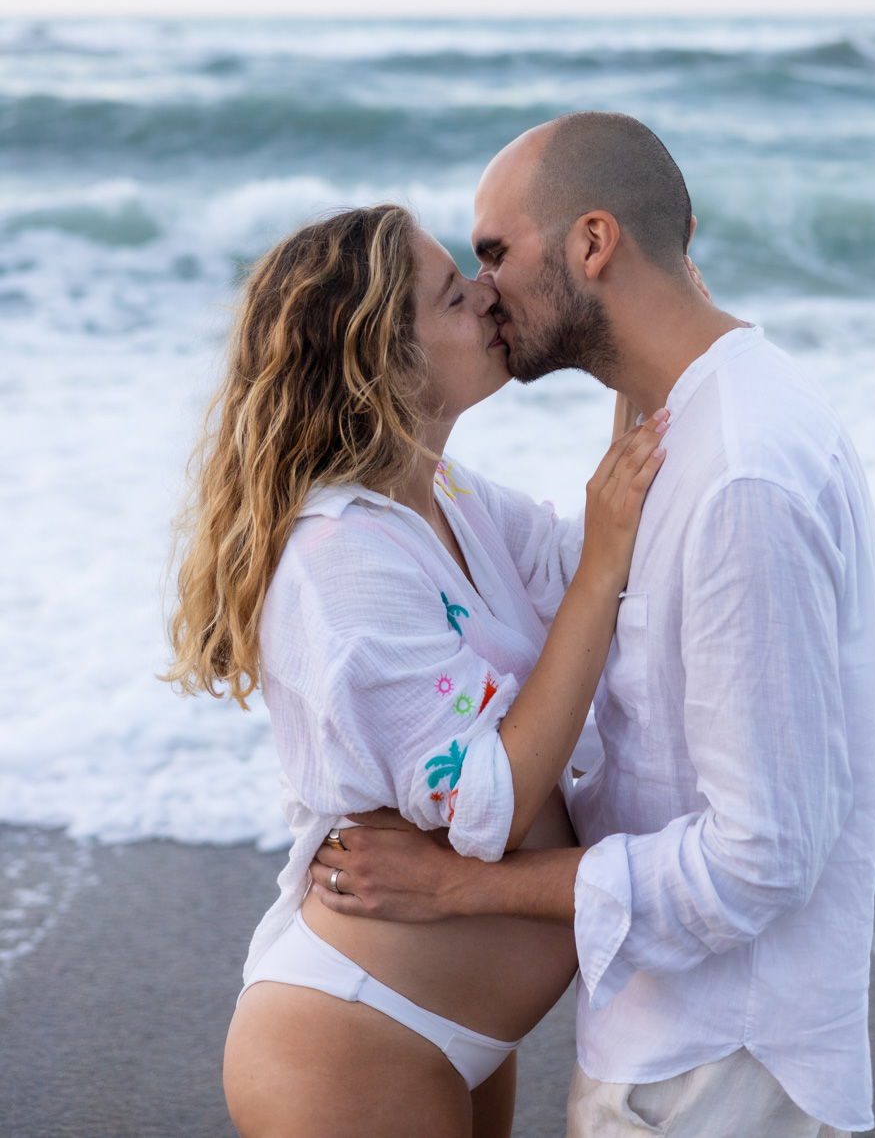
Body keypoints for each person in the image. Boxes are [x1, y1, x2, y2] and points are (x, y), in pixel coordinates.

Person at [308, 112, 875, 1138]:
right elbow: (563, 563)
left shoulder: (737, 473)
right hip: (690, 1048)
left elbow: (758, 860)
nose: (482, 290)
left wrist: (459, 892)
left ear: (591, 243)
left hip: (712, 1071)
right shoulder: (699, 425)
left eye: (493, 252)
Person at [165, 201, 670, 1138]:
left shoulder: (443, 496)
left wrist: (637, 325)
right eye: (452, 293)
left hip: (447, 1033)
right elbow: (491, 805)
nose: (487, 295)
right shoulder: (342, 560)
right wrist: (602, 561)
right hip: (355, 1035)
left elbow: (589, 559)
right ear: (384, 362)